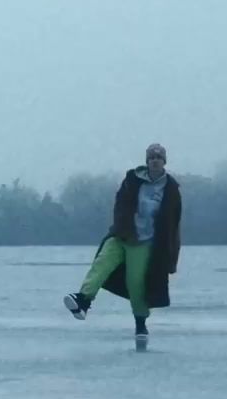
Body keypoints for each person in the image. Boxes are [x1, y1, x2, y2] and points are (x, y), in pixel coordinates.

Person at [63, 143, 182, 349]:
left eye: (159, 157)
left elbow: (173, 226)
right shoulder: (132, 180)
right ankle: (83, 300)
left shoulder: (170, 190)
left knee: (136, 282)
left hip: (145, 242)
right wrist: (122, 227)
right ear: (146, 161)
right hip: (122, 234)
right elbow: (120, 205)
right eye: (151, 157)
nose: (155, 160)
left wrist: (171, 258)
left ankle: (140, 323)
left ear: (164, 162)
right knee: (101, 264)